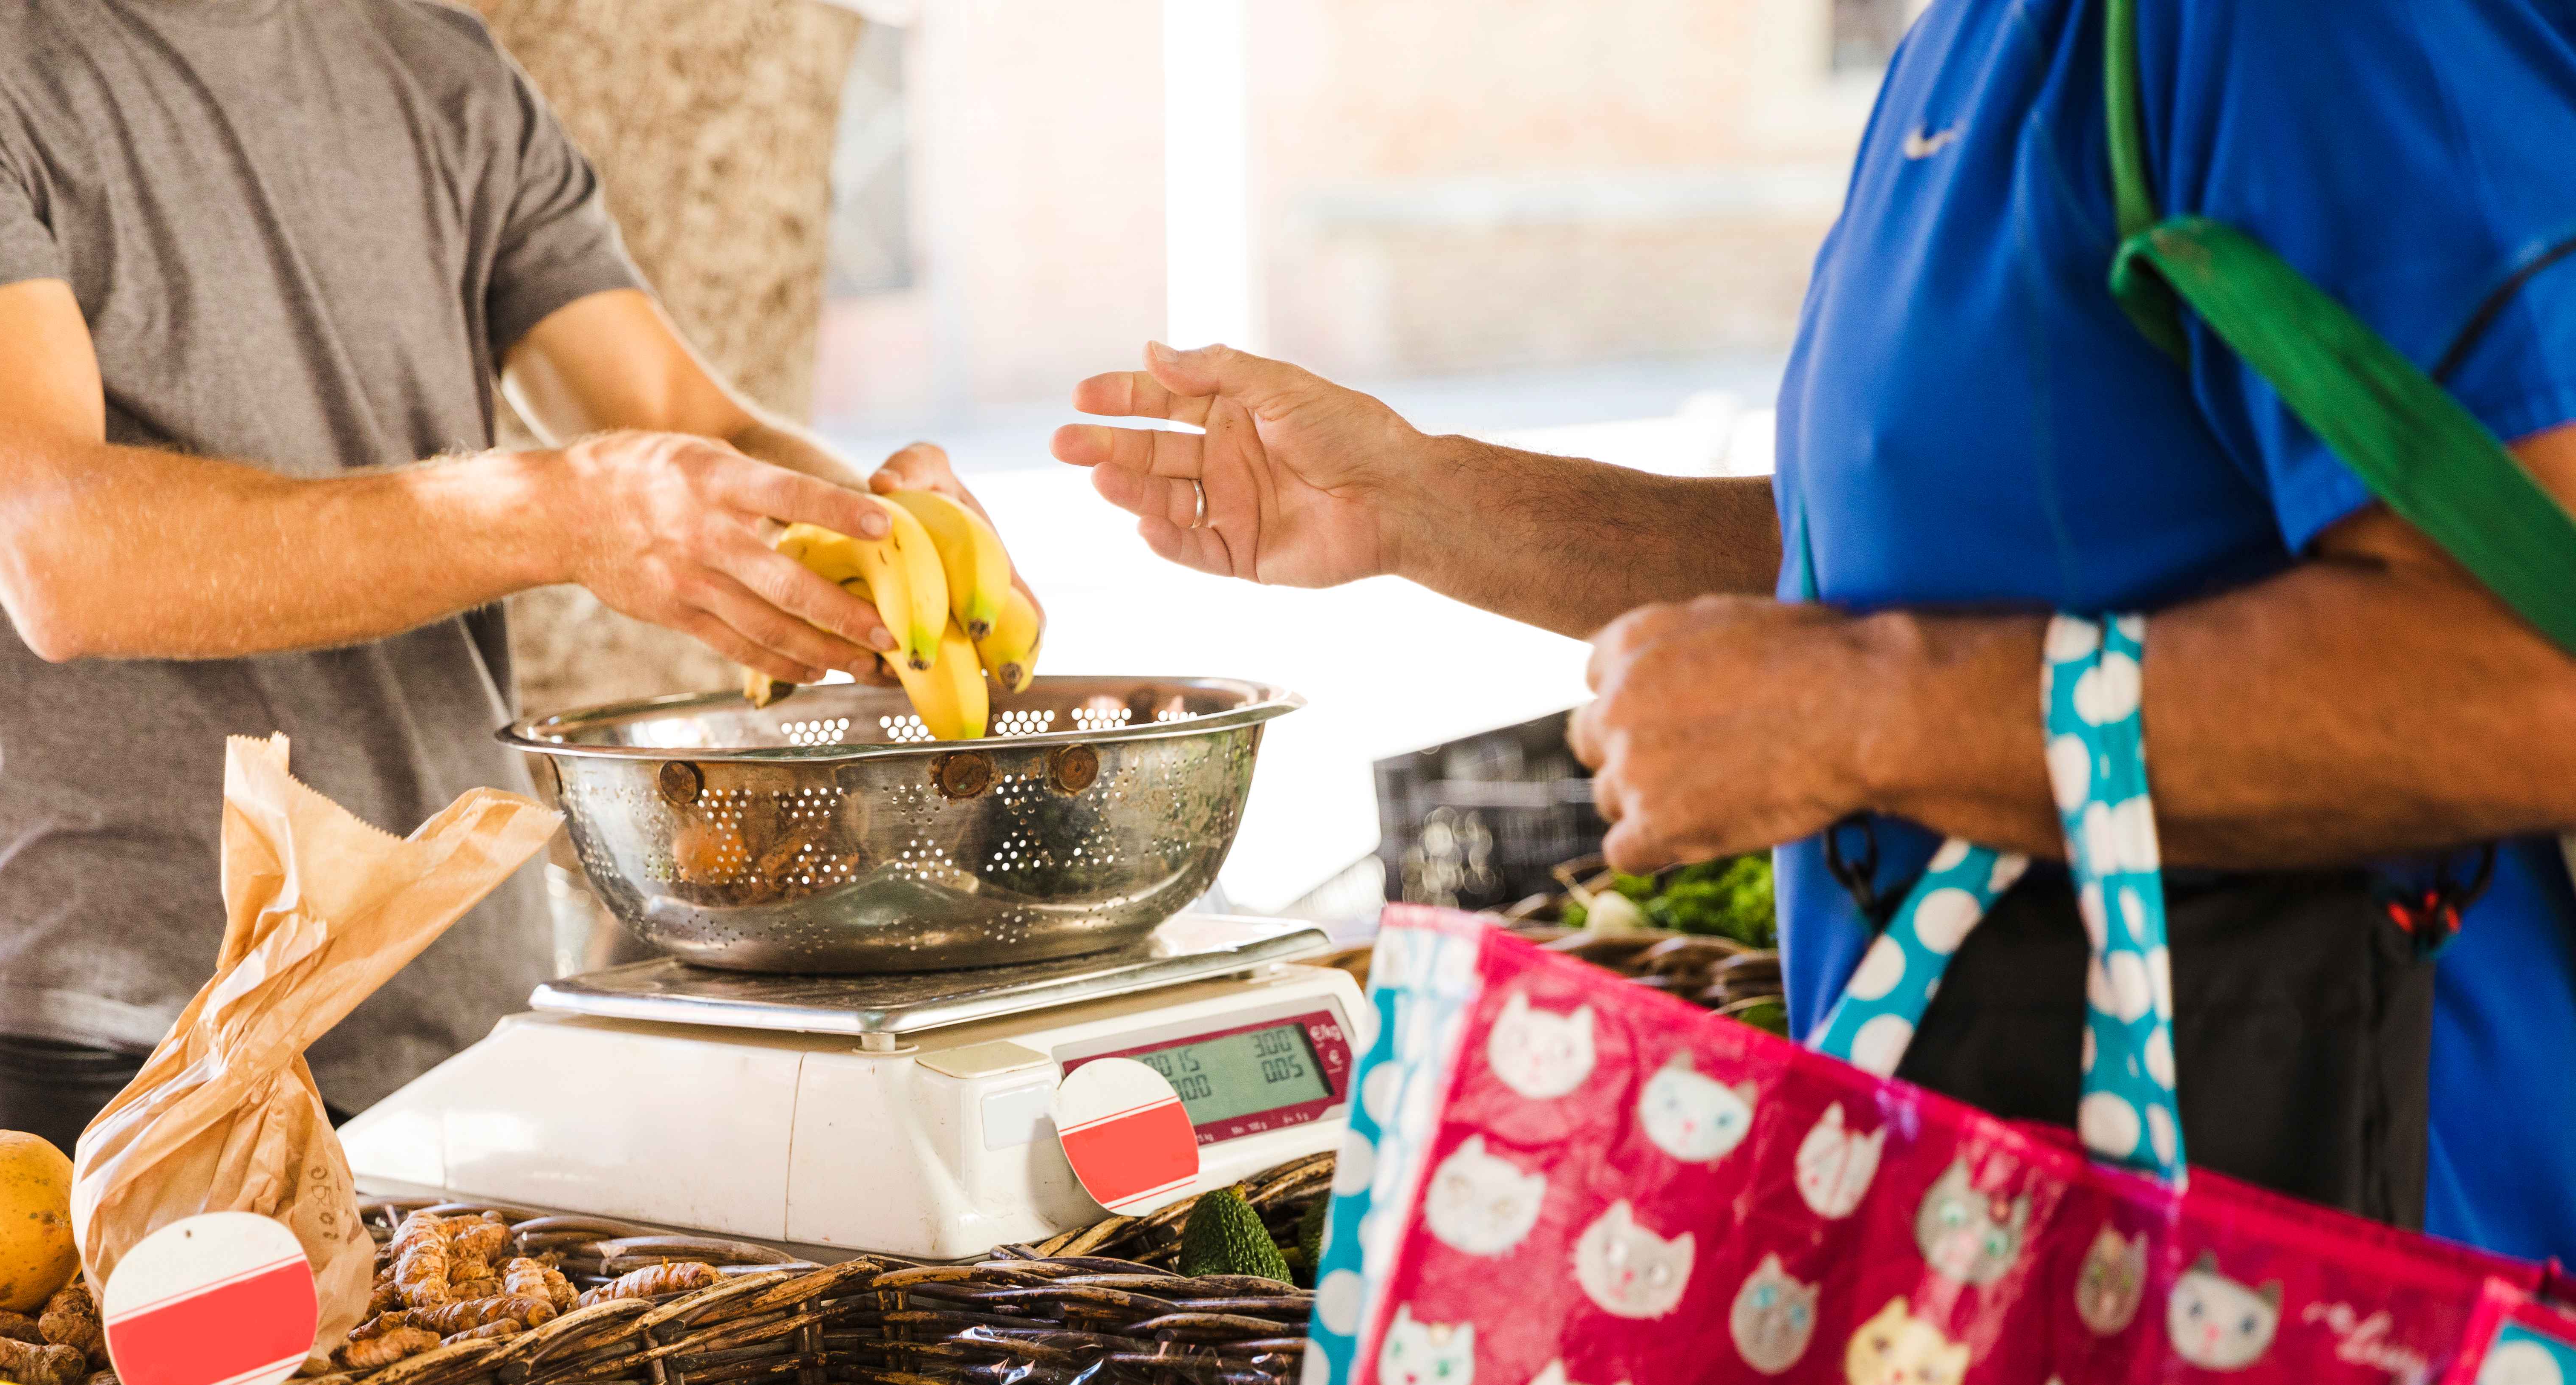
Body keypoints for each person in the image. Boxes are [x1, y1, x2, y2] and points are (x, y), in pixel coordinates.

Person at [1061, 0, 2576, 1258]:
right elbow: (1918, 554)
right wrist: (1418, 503)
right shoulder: (1977, 40)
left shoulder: (2303, 28)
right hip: (2062, 1267)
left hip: (2351, 1299)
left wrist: (1875, 713)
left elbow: (2535, 673)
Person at [0, 0, 1011, 1154]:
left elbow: (678, 411)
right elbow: (65, 549)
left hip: (458, 1021)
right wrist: (565, 511)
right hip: (111, 1037)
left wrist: (879, 525)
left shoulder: (429, 56)